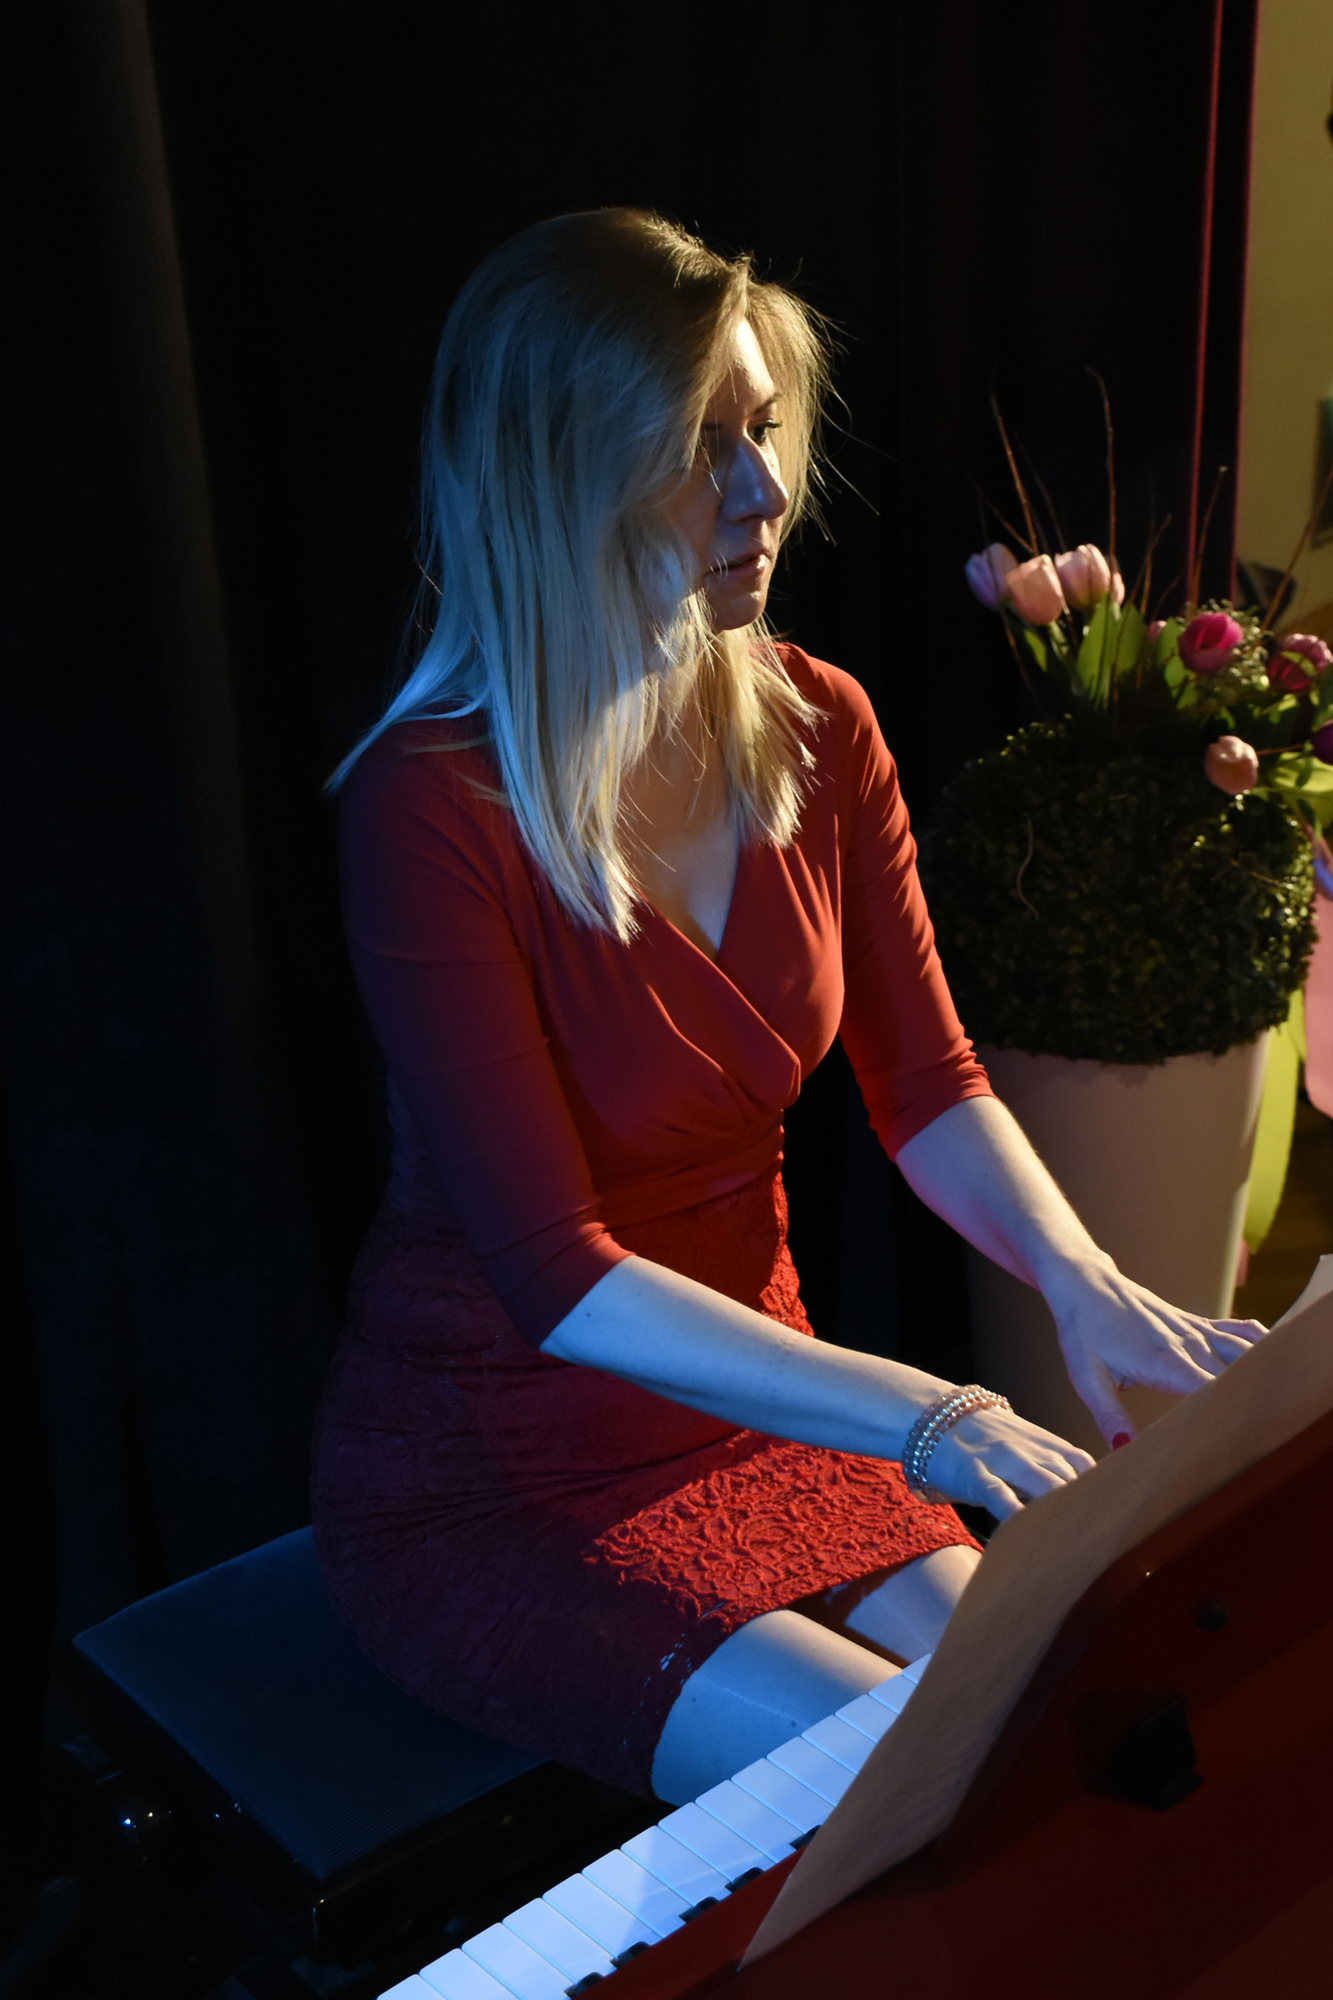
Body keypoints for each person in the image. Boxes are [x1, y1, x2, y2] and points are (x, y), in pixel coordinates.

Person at [311, 208, 1263, 1806]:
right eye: (700, 448)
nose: (762, 492)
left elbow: (928, 1081)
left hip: (764, 1407)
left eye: (760, 432)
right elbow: (557, 1278)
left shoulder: (819, 724)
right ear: (560, 475)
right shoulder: (431, 804)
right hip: (501, 1465)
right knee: (890, 1788)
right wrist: (930, 1417)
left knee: (1042, 1727)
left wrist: (1083, 1281)